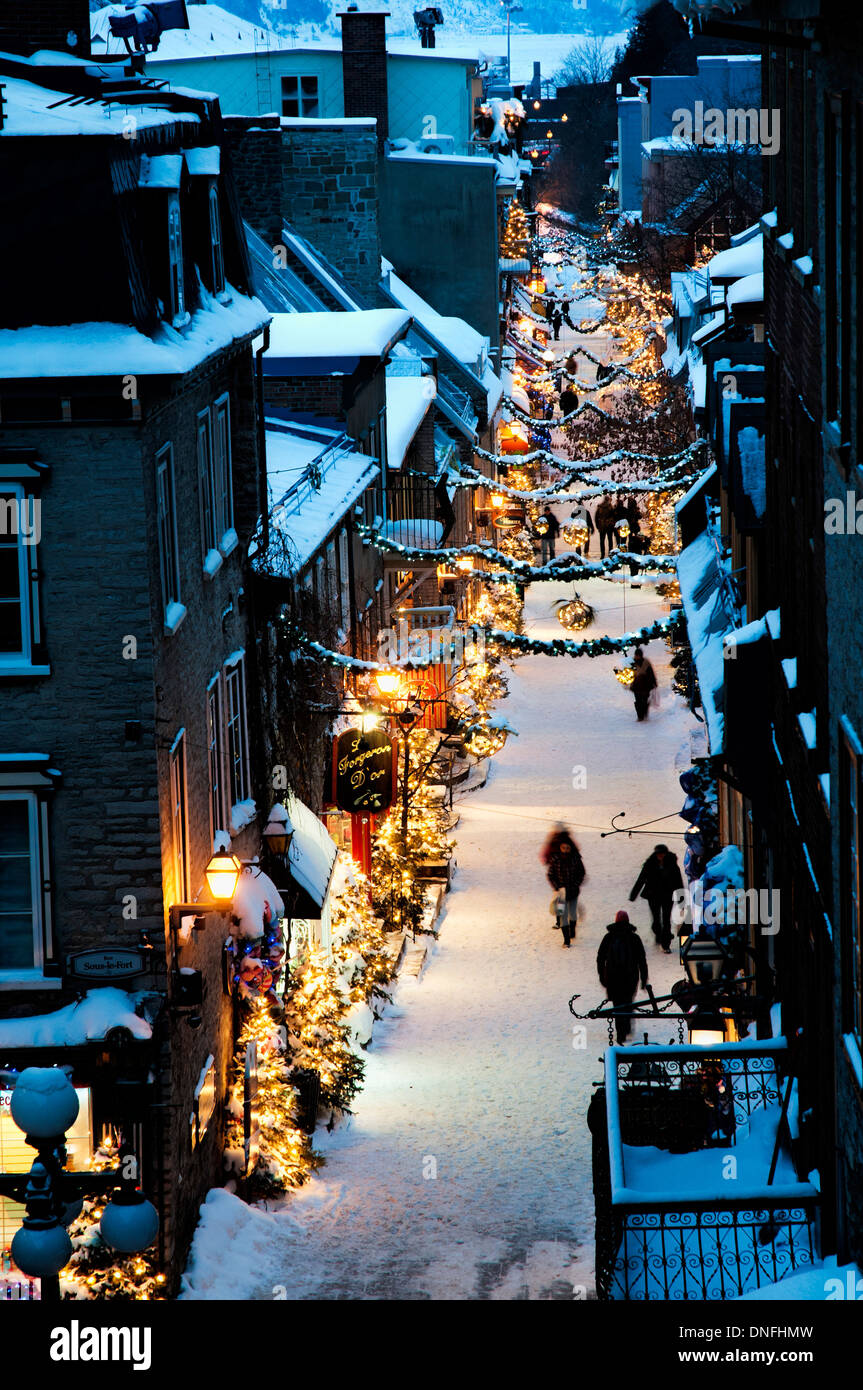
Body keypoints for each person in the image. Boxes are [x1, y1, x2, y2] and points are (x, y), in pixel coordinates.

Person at [597, 910, 648, 1042]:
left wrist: (602, 975)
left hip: (613, 977)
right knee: (628, 1002)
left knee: (617, 1005)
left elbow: (600, 958)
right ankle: (626, 1027)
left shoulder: (608, 937)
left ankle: (621, 1033)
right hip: (630, 977)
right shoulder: (634, 938)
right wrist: (644, 978)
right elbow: (642, 959)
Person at [629, 844, 684, 952]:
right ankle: (660, 935)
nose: (660, 856)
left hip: (668, 896)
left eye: (662, 854)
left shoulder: (672, 864)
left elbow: (678, 882)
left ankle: (665, 944)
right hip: (653, 896)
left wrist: (682, 900)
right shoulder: (649, 864)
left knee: (666, 920)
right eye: (659, 854)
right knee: (656, 921)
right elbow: (641, 879)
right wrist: (633, 894)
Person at [542, 824, 585, 947]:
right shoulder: (555, 860)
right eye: (563, 848)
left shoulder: (576, 859)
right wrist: (556, 887)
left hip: (573, 892)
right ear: (560, 848)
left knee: (572, 913)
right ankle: (566, 940)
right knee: (562, 916)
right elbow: (550, 874)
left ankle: (572, 930)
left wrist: (575, 884)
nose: (565, 850)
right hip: (561, 893)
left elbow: (581, 873)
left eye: (567, 848)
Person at [630, 646, 657, 722]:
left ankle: (644, 712)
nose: (637, 656)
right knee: (638, 701)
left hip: (646, 685)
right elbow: (628, 674)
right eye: (636, 655)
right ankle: (640, 716)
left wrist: (654, 683)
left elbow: (651, 673)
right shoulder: (632, 663)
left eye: (638, 655)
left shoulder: (646, 663)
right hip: (636, 686)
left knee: (644, 700)